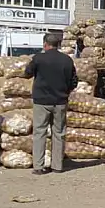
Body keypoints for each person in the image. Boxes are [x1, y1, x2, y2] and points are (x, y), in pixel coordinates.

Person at [24, 33, 78, 174]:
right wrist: (65, 91)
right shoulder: (67, 60)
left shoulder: (38, 58)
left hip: (42, 101)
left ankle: (38, 166)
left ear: (45, 44)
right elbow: (74, 81)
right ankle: (57, 166)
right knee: (59, 133)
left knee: (40, 132)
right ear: (58, 44)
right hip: (60, 101)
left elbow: (27, 73)